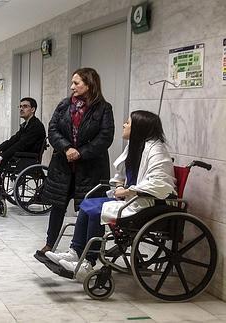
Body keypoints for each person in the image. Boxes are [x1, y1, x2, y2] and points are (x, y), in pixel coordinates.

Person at [45, 110, 176, 280]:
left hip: (148, 204)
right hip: (130, 200)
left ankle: (88, 262)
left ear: (139, 128)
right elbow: (121, 176)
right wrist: (120, 185)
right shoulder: (135, 146)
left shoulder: (157, 150)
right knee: (88, 204)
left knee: (97, 210)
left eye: (128, 123)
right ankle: (75, 252)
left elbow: (160, 183)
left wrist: (128, 191)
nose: (124, 124)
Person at [37, 67, 115, 256]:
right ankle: (50, 243)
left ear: (89, 85)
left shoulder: (104, 108)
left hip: (91, 169)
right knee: (57, 207)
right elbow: (53, 129)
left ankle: (87, 250)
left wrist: (80, 152)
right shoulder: (64, 105)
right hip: (63, 167)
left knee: (89, 210)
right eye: (72, 83)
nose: (72, 87)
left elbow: (105, 137)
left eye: (76, 83)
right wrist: (66, 148)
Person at [0, 97, 46, 203]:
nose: (21, 109)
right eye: (20, 106)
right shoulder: (26, 125)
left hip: (27, 158)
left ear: (33, 109)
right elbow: (12, 141)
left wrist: (1, 157)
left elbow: (20, 145)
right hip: (19, 155)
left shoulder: (36, 126)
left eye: (25, 106)